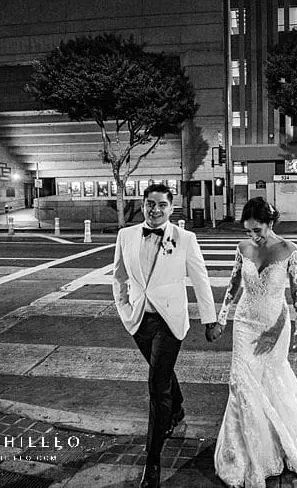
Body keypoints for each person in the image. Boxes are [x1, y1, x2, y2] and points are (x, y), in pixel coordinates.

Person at [112, 183, 223, 488]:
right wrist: (124, 309)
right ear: (143, 204)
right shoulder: (126, 235)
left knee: (156, 385)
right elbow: (119, 276)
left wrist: (209, 320)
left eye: (162, 204)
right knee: (160, 371)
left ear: (171, 207)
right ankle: (177, 406)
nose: (155, 209)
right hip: (138, 320)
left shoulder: (185, 238)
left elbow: (200, 279)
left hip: (169, 321)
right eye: (150, 204)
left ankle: (153, 462)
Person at [214, 197, 297, 488]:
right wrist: (222, 318)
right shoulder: (243, 248)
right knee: (241, 384)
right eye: (248, 230)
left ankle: (273, 440)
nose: (253, 236)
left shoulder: (289, 250)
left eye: (258, 229)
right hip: (245, 323)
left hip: (275, 325)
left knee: (269, 383)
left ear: (270, 223)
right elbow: (234, 284)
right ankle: (243, 451)